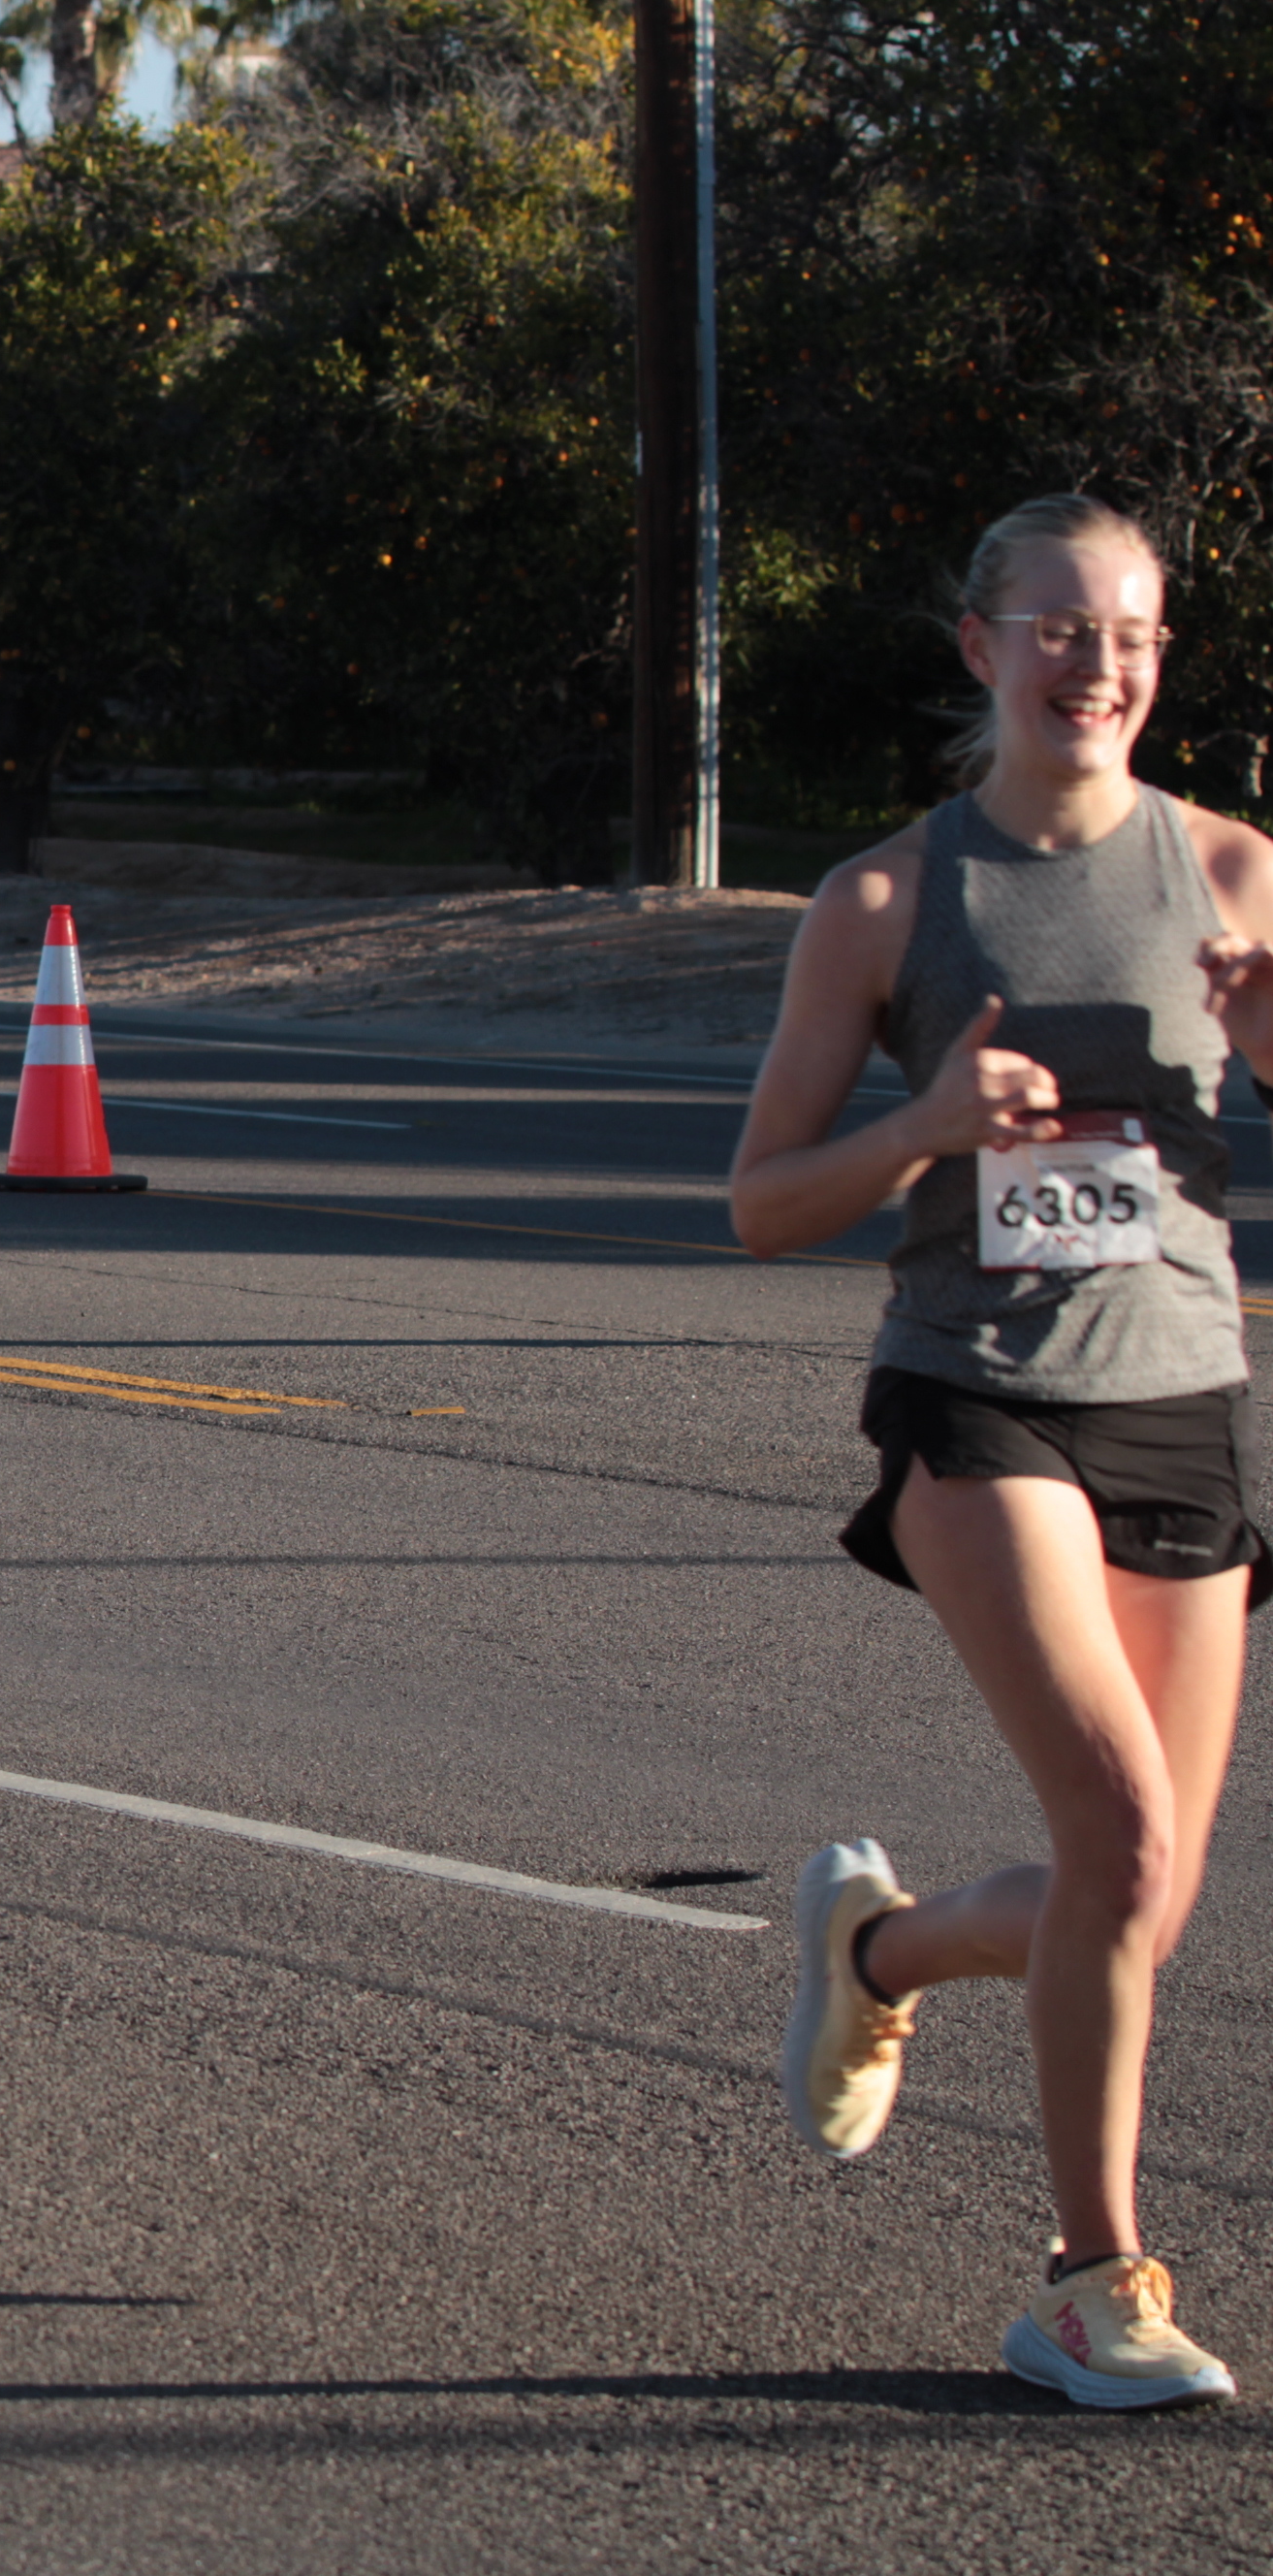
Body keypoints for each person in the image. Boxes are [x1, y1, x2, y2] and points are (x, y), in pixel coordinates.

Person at [734, 493, 1265, 2411]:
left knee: (1138, 1897)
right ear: (980, 646)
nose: (1090, 665)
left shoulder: (1232, 866)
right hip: (976, 1392)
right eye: (1054, 628)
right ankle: (1086, 2281)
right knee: (1116, 1835)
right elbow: (762, 1202)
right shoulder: (885, 902)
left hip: (1180, 1394)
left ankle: (878, 1949)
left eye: (1124, 633)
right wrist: (925, 1128)